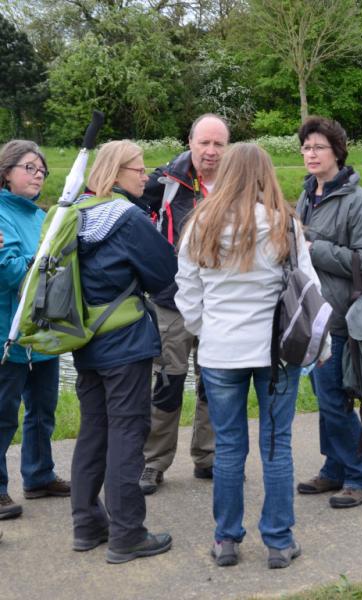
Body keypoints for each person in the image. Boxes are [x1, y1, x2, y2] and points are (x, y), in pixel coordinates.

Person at [175, 143, 324, 569]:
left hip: (221, 352)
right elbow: (308, 290)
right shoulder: (285, 226)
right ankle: (278, 542)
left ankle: (226, 540)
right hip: (276, 352)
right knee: (277, 446)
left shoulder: (199, 224)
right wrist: (320, 346)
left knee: (228, 448)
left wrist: (207, 332)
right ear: (265, 175)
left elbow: (187, 293)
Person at [69, 140, 177, 562]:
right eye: (139, 168)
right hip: (125, 343)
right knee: (128, 435)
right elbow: (164, 272)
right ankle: (127, 534)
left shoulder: (72, 213)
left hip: (84, 341)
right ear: (115, 173)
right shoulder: (127, 218)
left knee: (92, 432)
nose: (146, 175)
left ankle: (86, 525)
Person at [294, 116, 362, 509]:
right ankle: (334, 468)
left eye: (318, 147)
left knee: (335, 400)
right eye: (306, 148)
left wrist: (315, 249)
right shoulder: (307, 194)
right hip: (310, 315)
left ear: (337, 152)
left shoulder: (355, 200)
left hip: (339, 318)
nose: (310, 154)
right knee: (324, 396)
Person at [138, 114, 229, 494]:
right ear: (189, 142)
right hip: (170, 303)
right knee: (166, 383)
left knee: (214, 383)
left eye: (218, 145)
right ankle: (154, 462)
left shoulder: (235, 183)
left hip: (221, 305)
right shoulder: (163, 182)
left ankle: (206, 457)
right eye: (203, 143)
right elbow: (124, 213)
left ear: (227, 148)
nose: (210, 151)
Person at [0, 140, 70, 523]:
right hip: (7, 335)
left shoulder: (41, 216)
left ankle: (39, 476)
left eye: (41, 169)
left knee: (43, 411)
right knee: (3, 416)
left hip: (42, 335)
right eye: (29, 167)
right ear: (7, 172)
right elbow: (9, 273)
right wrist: (41, 258)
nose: (38, 173)